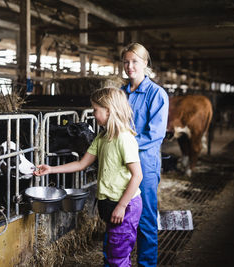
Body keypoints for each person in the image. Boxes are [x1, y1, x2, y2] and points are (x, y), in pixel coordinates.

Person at [34, 87, 143, 266]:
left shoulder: (124, 138)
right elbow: (81, 164)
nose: (93, 114)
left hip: (125, 205)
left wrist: (122, 206)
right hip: (111, 203)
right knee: (111, 251)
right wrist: (51, 169)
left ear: (109, 110)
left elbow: (137, 175)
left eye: (95, 110)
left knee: (118, 255)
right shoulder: (102, 137)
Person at [121, 42, 169, 267]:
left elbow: (156, 135)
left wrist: (124, 146)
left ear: (145, 64)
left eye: (135, 62)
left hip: (144, 164)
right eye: (126, 62)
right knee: (120, 215)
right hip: (120, 165)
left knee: (145, 219)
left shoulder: (156, 94)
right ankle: (120, 261)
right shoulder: (120, 93)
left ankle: (147, 264)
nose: (130, 66)